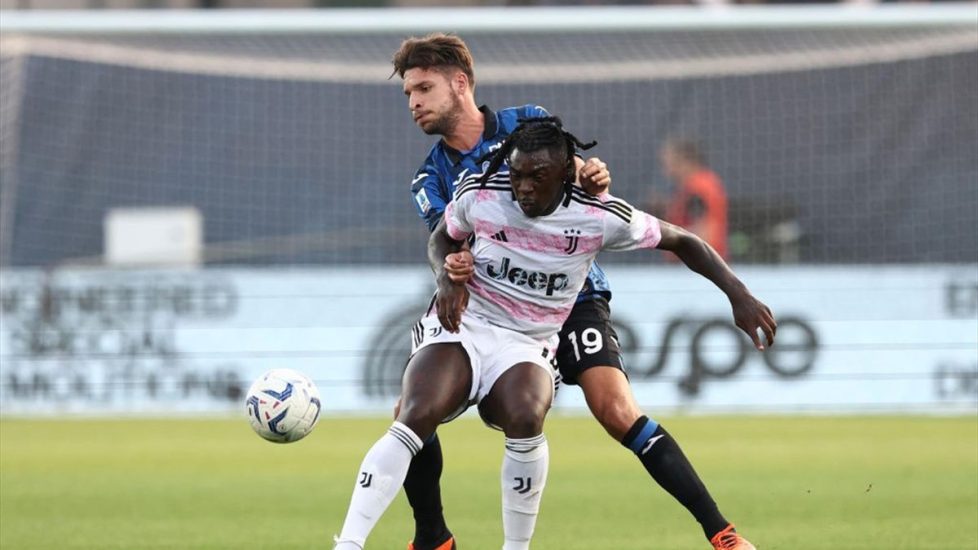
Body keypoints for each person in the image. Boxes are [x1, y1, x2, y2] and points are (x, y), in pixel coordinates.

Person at [332, 116, 775, 550]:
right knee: (416, 410)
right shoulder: (482, 192)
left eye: (537, 177)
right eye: (517, 175)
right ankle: (351, 543)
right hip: (467, 324)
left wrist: (739, 295)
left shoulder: (599, 214)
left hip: (528, 340)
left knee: (527, 415)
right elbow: (443, 237)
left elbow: (684, 240)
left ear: (566, 172)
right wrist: (447, 277)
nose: (523, 187)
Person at [654, 138, 730, 260]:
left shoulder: (699, 186)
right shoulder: (692, 185)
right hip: (698, 262)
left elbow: (704, 233)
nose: (664, 167)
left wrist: (669, 240)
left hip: (699, 264)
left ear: (684, 159)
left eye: (667, 161)